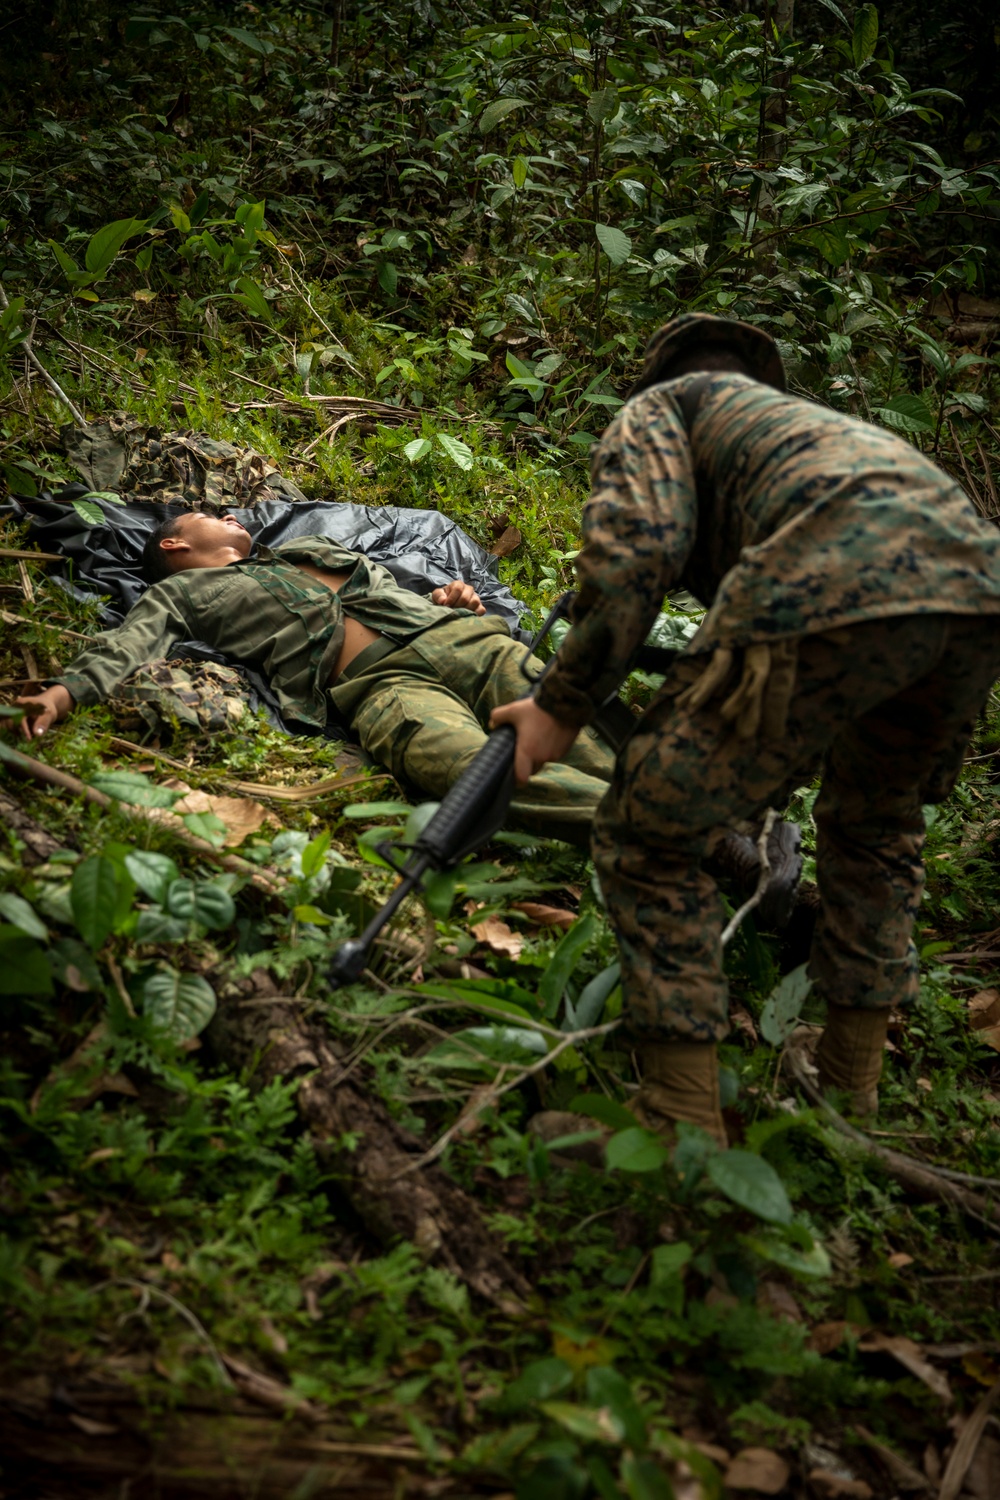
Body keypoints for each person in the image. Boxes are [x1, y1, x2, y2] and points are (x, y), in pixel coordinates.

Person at [492, 312, 1000, 1142]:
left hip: (831, 574)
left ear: (659, 377)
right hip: (976, 597)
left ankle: (679, 1127)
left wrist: (560, 707)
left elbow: (636, 554)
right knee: (875, 826)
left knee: (648, 831)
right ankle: (849, 1089)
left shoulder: (665, 409)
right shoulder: (814, 433)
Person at [17, 513, 614, 846]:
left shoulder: (308, 543)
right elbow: (130, 641)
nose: (230, 515)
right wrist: (69, 689)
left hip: (461, 641)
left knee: (579, 732)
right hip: (379, 689)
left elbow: (385, 593)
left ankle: (674, 797)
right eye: (209, 515)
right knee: (468, 770)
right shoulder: (180, 591)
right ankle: (658, 830)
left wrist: (443, 595)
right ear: (174, 542)